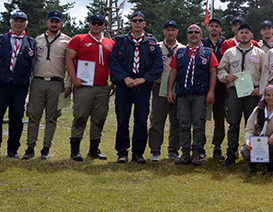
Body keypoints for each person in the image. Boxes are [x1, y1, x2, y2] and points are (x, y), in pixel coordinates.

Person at [109, 12, 163, 163]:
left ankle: (138, 153)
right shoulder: (121, 41)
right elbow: (113, 61)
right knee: (122, 119)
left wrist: (144, 79)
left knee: (140, 119)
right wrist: (124, 78)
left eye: (140, 20)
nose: (137, 23)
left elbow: (158, 64)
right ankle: (122, 152)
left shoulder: (152, 42)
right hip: (124, 86)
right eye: (135, 20)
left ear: (145, 23)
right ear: (131, 23)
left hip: (142, 87)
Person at [0, 11, 36, 158]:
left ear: (26, 24)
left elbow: (33, 65)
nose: (18, 24)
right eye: (16, 20)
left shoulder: (31, 43)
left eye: (22, 21)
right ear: (11, 22)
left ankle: (13, 150)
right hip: (1, 85)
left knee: (17, 117)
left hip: (19, 86)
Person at [22, 10, 71, 160]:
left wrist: (68, 85)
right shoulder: (36, 40)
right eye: (52, 21)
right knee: (33, 116)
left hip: (57, 84)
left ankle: (46, 148)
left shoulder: (67, 41)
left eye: (57, 21)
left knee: (52, 117)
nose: (54, 24)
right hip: (38, 82)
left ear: (61, 23)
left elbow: (70, 64)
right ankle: (30, 148)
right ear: (47, 22)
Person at [65, 14, 114, 161]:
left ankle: (94, 149)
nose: (97, 25)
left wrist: (114, 81)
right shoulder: (79, 39)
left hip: (102, 87)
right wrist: (73, 79)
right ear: (89, 24)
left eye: (100, 23)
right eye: (94, 22)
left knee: (99, 119)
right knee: (80, 117)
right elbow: (68, 59)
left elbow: (112, 63)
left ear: (104, 25)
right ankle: (75, 150)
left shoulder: (109, 43)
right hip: (84, 86)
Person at [167, 24, 217, 166]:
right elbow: (174, 72)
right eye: (190, 32)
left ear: (201, 35)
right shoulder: (180, 53)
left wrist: (211, 91)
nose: (193, 34)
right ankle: (185, 153)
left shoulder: (207, 52)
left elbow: (213, 72)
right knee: (183, 123)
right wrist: (170, 90)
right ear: (187, 35)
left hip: (200, 95)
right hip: (183, 95)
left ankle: (196, 153)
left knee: (198, 123)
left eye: (196, 32)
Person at [218, 23, 266, 165]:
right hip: (235, 92)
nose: (244, 35)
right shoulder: (230, 52)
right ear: (237, 35)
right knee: (233, 122)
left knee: (253, 124)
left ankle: (253, 153)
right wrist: (226, 76)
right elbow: (220, 69)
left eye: (247, 32)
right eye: (241, 32)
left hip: (253, 93)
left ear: (252, 35)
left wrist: (260, 89)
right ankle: (231, 154)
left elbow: (265, 74)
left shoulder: (259, 53)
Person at [147, 20, 184, 162]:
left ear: (177, 32)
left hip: (177, 87)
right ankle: (155, 150)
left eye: (173, 30)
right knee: (157, 119)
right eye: (167, 30)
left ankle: (173, 150)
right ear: (163, 32)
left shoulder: (183, 48)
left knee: (177, 120)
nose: (170, 32)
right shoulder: (156, 47)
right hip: (160, 85)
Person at [241, 85, 273, 175]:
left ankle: (270, 165)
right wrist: (248, 140)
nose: (271, 98)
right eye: (268, 95)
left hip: (271, 142)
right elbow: (249, 128)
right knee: (244, 151)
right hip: (258, 141)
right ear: (264, 96)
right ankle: (253, 164)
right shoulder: (257, 110)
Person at [202, 17, 227, 160]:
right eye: (212, 26)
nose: (214, 28)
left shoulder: (225, 45)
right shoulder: (201, 43)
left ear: (220, 29)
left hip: (220, 86)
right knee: (201, 117)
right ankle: (201, 146)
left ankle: (217, 147)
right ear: (208, 28)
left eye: (217, 26)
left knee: (219, 117)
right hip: (204, 85)